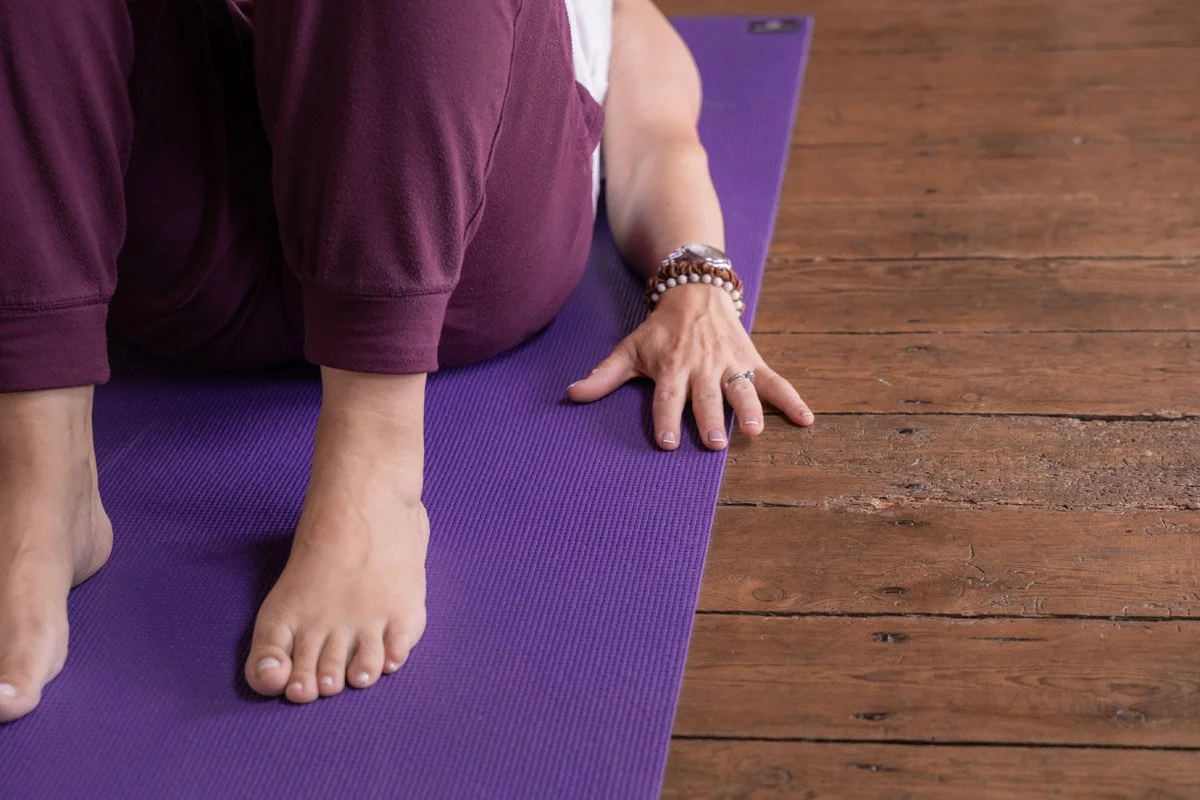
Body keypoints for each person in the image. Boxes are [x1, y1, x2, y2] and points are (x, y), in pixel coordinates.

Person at [0, 0, 814, 723]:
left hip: (450, 269)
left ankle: (374, 478)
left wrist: (696, 283)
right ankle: (42, 487)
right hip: (183, 264)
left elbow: (659, 128)